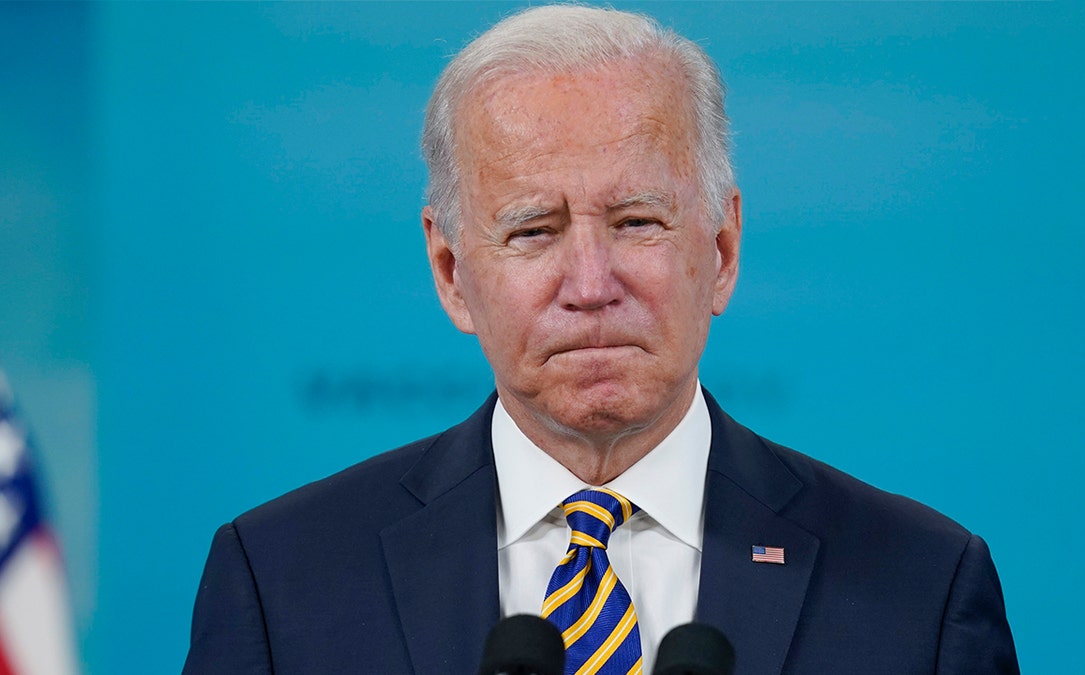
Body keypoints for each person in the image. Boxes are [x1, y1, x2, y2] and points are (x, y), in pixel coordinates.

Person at [184, 5, 1019, 674]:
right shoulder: (283, 582)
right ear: (449, 271)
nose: (590, 284)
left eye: (636, 221)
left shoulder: (923, 588)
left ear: (721, 250)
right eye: (533, 232)